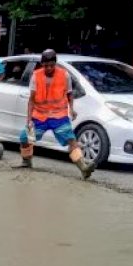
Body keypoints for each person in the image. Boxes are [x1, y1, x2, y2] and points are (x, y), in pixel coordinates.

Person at [17, 49, 96, 179]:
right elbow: (31, 100)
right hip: (40, 116)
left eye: (52, 65)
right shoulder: (36, 76)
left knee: (71, 140)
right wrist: (29, 119)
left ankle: (83, 167)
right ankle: (26, 161)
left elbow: (69, 94)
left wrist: (71, 109)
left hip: (59, 115)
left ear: (56, 63)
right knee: (25, 138)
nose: (49, 68)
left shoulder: (64, 75)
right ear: (42, 64)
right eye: (46, 65)